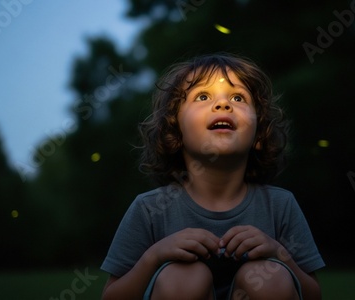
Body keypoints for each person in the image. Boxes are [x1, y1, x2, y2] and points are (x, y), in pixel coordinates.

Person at [101, 52, 325, 300]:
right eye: (203, 96)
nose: (223, 105)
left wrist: (278, 253)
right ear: (174, 133)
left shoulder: (280, 206)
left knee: (268, 276)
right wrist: (154, 256)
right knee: (182, 278)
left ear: (259, 135)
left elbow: (313, 294)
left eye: (238, 97)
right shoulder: (149, 209)